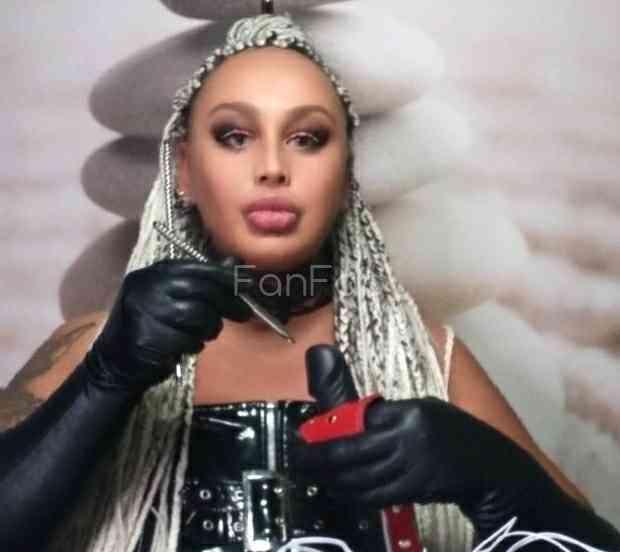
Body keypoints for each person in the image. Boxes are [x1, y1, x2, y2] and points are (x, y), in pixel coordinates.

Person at [1, 11, 619, 552]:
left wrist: (497, 476)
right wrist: (105, 381)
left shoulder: (425, 356)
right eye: (235, 136)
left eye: (307, 138)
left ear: (346, 176)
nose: (273, 167)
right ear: (184, 169)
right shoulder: (94, 344)